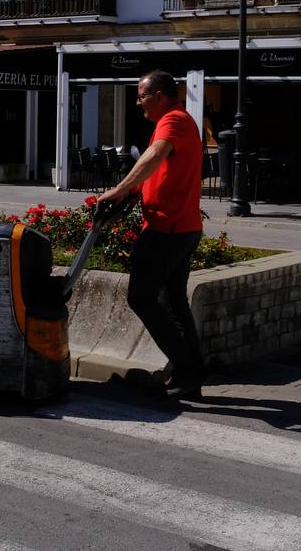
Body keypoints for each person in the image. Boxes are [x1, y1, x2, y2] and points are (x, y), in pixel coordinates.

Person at [98, 69, 205, 402]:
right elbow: (161, 168)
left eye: (142, 95)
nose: (138, 102)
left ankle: (187, 371)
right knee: (173, 301)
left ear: (158, 96)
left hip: (167, 229)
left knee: (141, 296)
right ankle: (189, 374)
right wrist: (136, 193)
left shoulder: (172, 120)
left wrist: (120, 188)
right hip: (183, 227)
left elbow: (155, 155)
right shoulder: (180, 120)